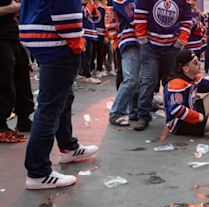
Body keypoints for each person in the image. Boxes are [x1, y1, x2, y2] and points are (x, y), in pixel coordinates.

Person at [19, 0, 98, 189]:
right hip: (56, 43)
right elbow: (66, 13)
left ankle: (68, 147)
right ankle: (38, 172)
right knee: (50, 107)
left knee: (62, 98)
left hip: (41, 38)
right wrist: (76, 42)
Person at [134, 0, 193, 131]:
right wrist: (142, 38)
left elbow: (187, 20)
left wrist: (180, 41)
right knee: (148, 80)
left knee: (171, 82)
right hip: (150, 46)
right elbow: (140, 15)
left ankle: (175, 115)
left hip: (172, 48)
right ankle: (143, 116)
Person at [0, 0, 34, 135]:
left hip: (14, 35)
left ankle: (24, 119)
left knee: (23, 78)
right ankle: (1, 124)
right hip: (1, 38)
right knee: (4, 79)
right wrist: (12, 8)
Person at [108, 0, 140, 126]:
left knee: (137, 80)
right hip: (129, 40)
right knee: (131, 79)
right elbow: (134, 18)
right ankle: (116, 113)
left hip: (137, 40)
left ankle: (134, 111)